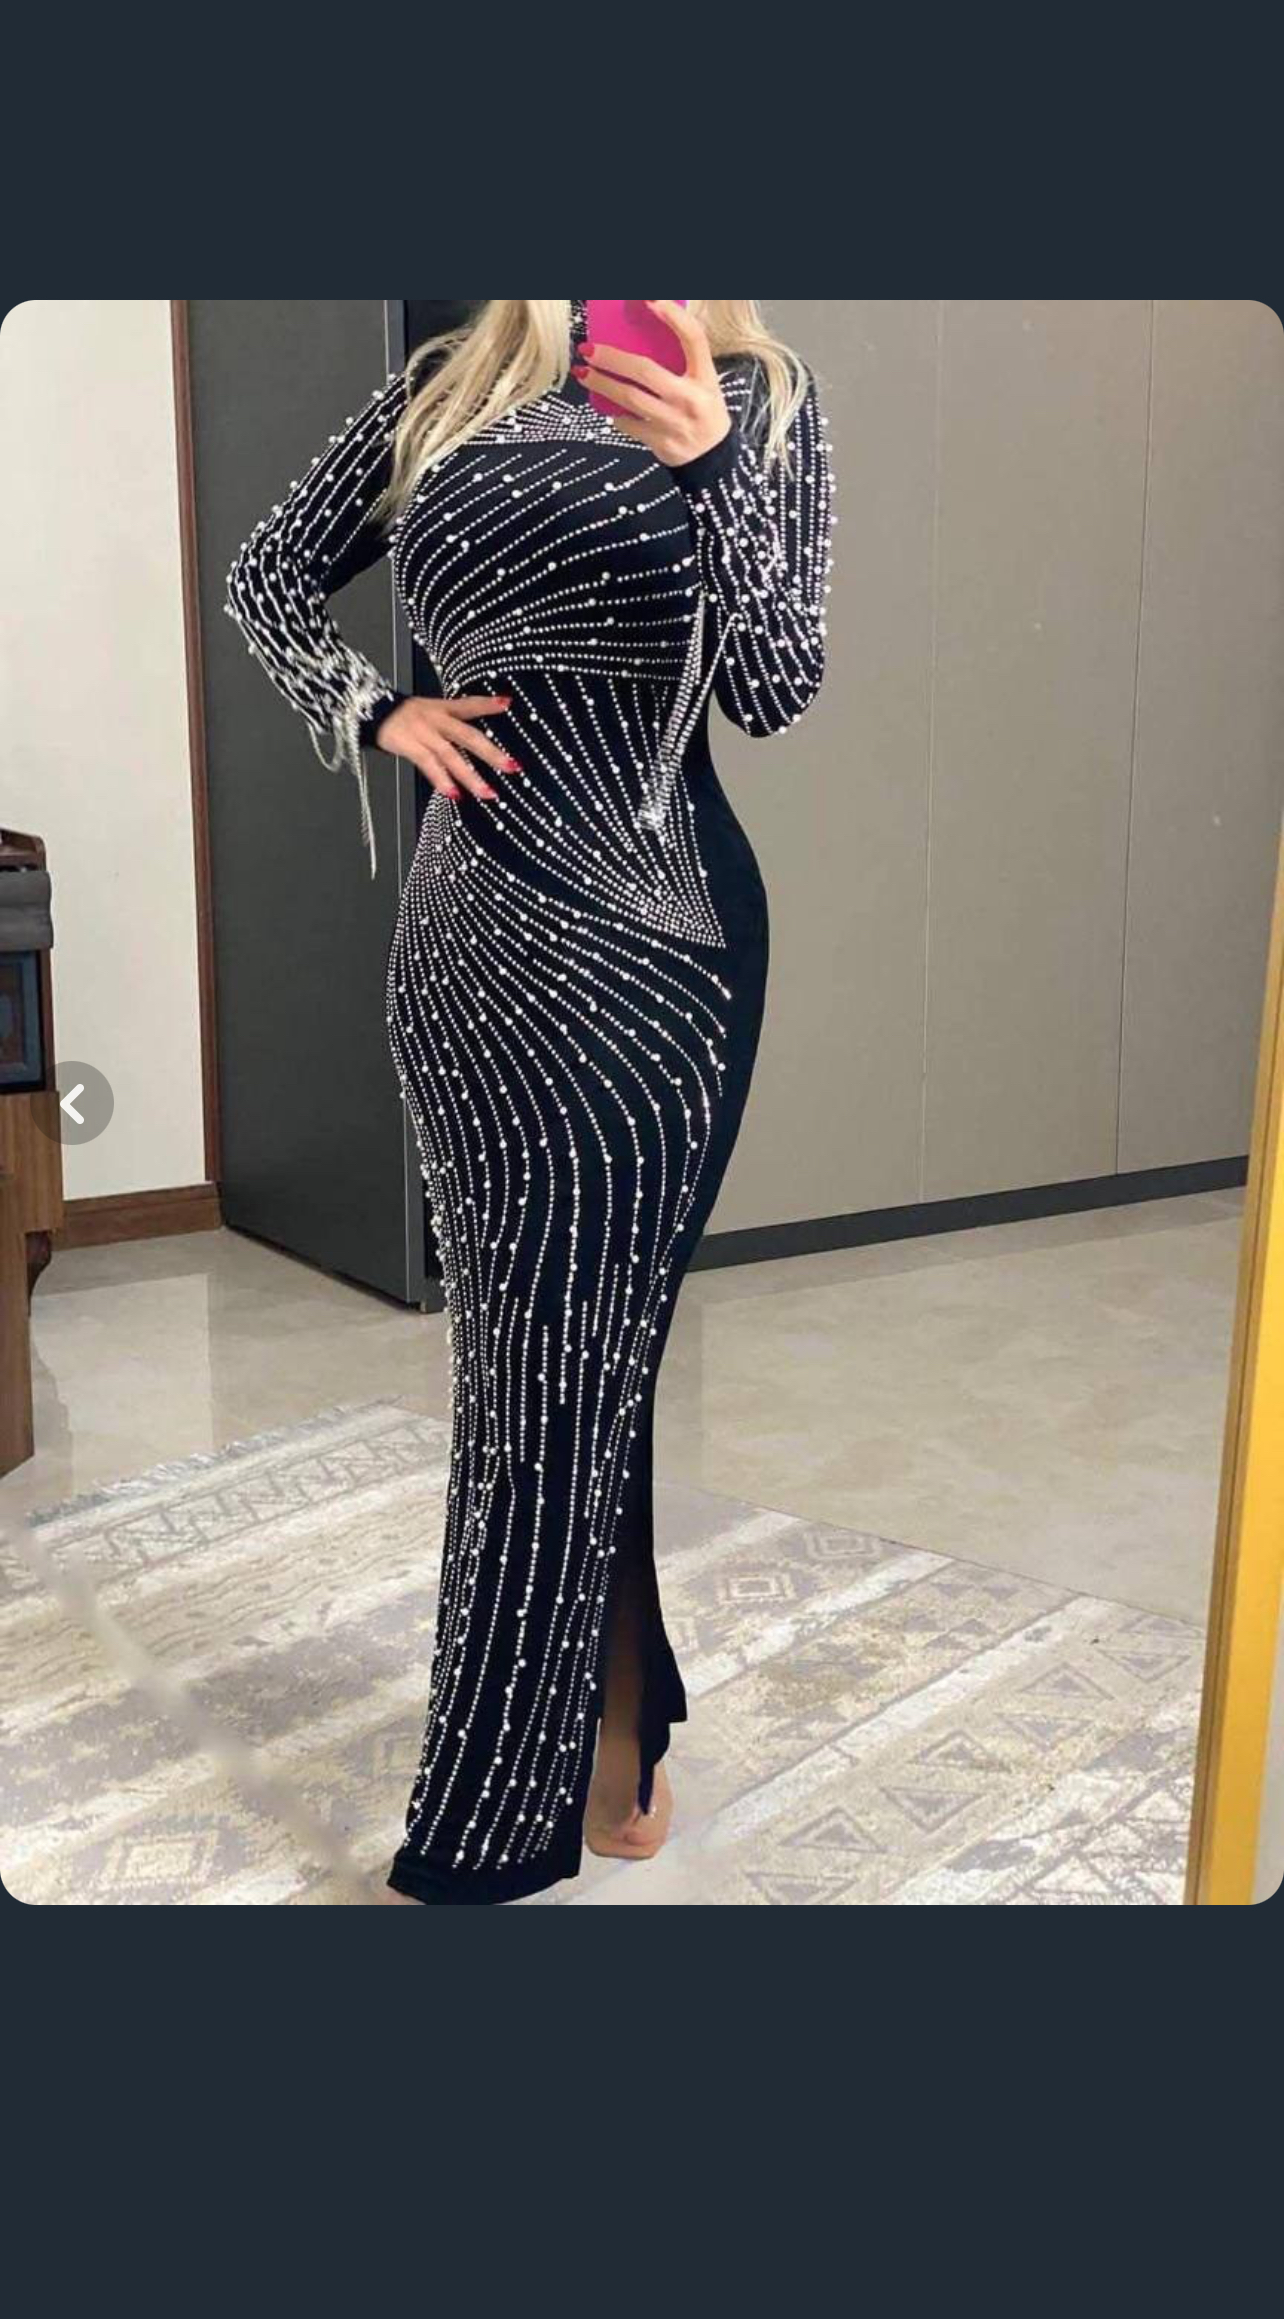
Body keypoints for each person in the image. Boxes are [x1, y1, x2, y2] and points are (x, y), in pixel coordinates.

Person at [227, 298, 835, 1903]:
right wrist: (378, 710)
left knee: (577, 1368)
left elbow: (778, 687)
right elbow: (267, 576)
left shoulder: (764, 396)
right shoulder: (449, 391)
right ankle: (608, 1738)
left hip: (661, 938)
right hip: (470, 937)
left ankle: (504, 1803)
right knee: (534, 1368)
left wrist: (713, 470)